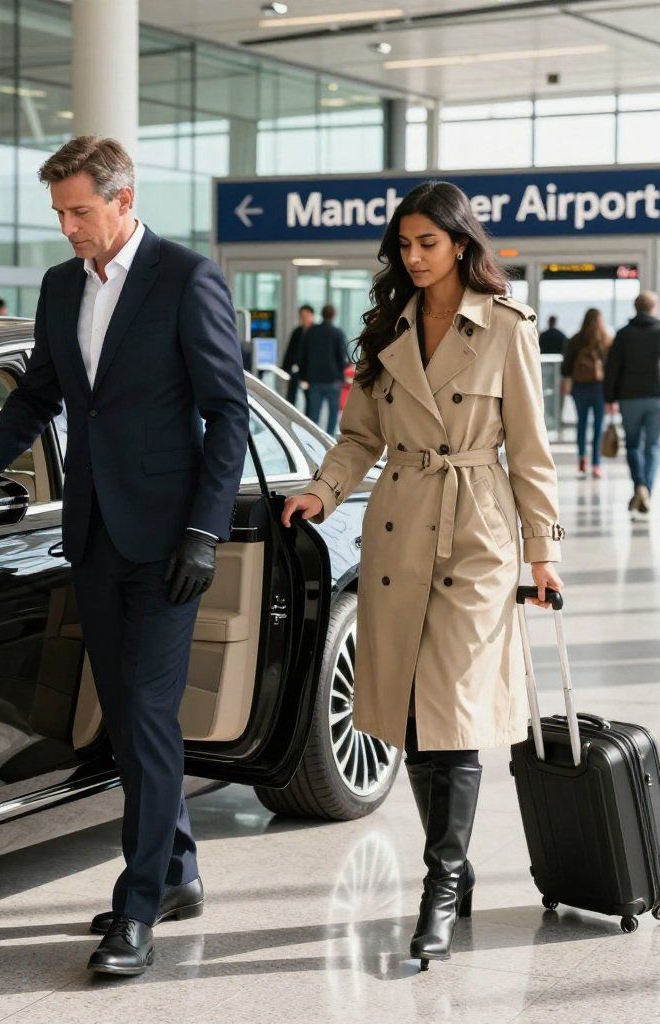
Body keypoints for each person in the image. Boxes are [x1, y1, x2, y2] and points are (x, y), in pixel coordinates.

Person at [0, 136, 248, 976]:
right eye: (59, 213)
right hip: (95, 534)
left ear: (124, 199)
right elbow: (40, 394)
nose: (68, 228)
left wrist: (206, 533)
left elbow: (227, 415)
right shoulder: (63, 286)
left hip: (171, 542)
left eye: (80, 211)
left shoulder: (186, 278)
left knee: (143, 715)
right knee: (134, 722)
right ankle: (174, 872)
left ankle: (137, 909)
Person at [283, 180, 564, 970]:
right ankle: (459, 867)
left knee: (456, 710)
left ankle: (439, 884)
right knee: (407, 712)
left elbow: (532, 450)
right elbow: (357, 436)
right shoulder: (388, 328)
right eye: (403, 246)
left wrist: (542, 551)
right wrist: (322, 490)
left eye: (427, 244)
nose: (412, 258)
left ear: (461, 243)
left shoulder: (505, 327)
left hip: (477, 531)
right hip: (402, 526)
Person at [605, 290, 660, 514]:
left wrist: (609, 398)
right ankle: (646, 488)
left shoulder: (623, 334)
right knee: (653, 446)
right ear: (653, 308)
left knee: (633, 444)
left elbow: (612, 369)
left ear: (635, 308)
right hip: (656, 396)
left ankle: (639, 485)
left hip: (629, 399)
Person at [561, 308, 611, 478]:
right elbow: (611, 368)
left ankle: (582, 458)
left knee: (582, 423)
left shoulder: (576, 339)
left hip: (579, 387)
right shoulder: (605, 340)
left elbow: (566, 366)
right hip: (599, 388)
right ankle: (596, 464)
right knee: (598, 426)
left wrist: (566, 381)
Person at [300, 302, 350, 435]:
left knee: (314, 414)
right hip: (333, 380)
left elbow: (303, 355)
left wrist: (303, 376)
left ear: (321, 315)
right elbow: (343, 357)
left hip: (314, 379)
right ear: (333, 315)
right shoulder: (337, 333)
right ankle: (329, 438)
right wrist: (342, 372)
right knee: (333, 413)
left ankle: (312, 440)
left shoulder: (311, 332)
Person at [281, 304, 314, 406]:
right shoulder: (297, 332)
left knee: (310, 400)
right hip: (295, 369)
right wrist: (285, 368)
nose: (303, 319)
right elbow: (290, 351)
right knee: (291, 397)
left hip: (309, 371)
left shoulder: (315, 332)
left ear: (311, 315)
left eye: (305, 316)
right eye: (301, 316)